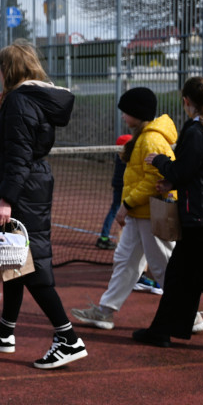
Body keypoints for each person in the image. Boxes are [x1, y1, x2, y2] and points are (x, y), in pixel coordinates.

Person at [0, 39, 87, 369]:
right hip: (29, 185)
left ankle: (68, 337)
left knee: (29, 265)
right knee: (12, 260)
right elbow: (19, 141)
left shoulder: (21, 100)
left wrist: (6, 200)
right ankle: (5, 331)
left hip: (22, 190)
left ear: (9, 69)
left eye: (0, 68)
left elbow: (19, 154)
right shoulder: (25, 99)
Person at [133, 77, 203, 352]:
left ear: (186, 101)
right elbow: (202, 169)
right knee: (181, 276)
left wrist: (161, 163)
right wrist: (174, 179)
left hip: (200, 214)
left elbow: (183, 169)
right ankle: (163, 330)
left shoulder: (197, 129)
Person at [72, 87, 181, 331]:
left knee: (163, 266)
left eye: (126, 111)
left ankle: (190, 315)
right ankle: (104, 311)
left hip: (154, 212)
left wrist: (127, 204)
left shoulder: (151, 139)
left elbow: (155, 180)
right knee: (125, 261)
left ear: (137, 113)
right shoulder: (142, 137)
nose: (122, 115)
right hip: (141, 214)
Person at [95, 133, 132, 251]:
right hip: (123, 186)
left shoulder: (121, 156)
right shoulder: (126, 158)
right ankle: (105, 238)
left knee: (116, 209)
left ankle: (105, 237)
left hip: (119, 185)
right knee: (119, 210)